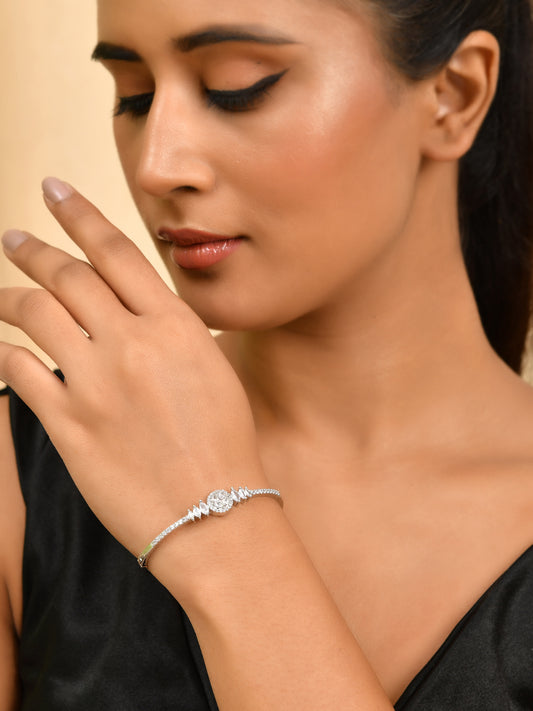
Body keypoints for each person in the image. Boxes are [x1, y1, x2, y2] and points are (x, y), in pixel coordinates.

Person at [0, 0, 532, 708]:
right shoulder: (25, 470)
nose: (157, 165)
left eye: (237, 88)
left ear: (454, 95)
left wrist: (221, 537)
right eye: (134, 95)